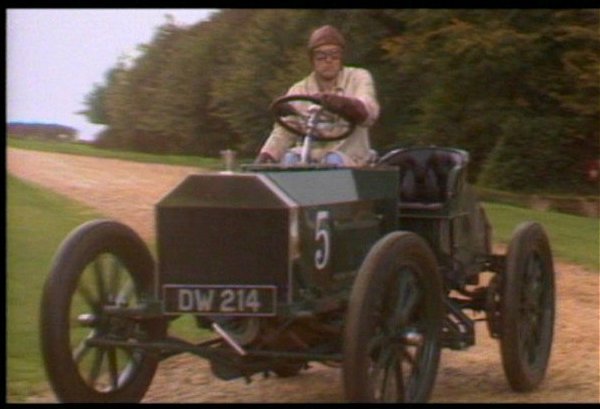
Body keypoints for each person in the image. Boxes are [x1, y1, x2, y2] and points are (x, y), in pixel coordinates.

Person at [256, 25, 380, 166]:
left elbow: (369, 110)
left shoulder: (358, 77)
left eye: (335, 55)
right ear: (312, 60)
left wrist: (345, 105)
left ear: (341, 57)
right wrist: (268, 155)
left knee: (332, 161)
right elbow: (285, 130)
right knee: (290, 160)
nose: (329, 60)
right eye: (321, 56)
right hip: (310, 156)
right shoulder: (300, 90)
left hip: (351, 157)